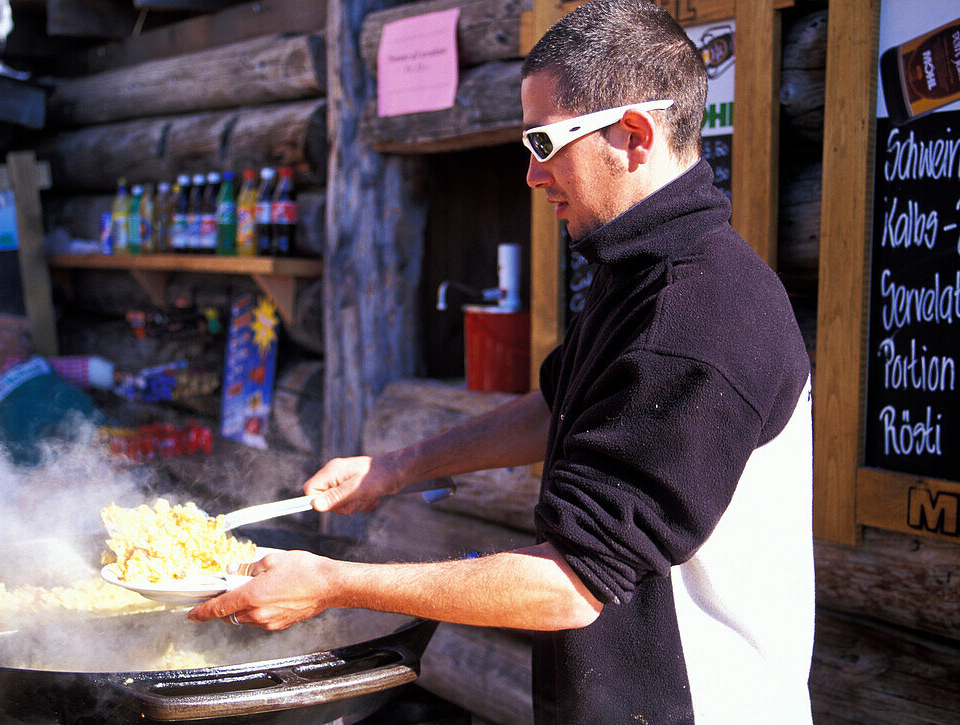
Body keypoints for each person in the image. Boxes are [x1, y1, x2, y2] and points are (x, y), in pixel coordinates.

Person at [190, 1, 815, 722]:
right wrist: (397, 467)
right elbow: (560, 405)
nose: (529, 173)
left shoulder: (696, 319)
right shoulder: (643, 270)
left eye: (545, 142)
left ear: (634, 135)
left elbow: (569, 586)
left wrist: (331, 581)